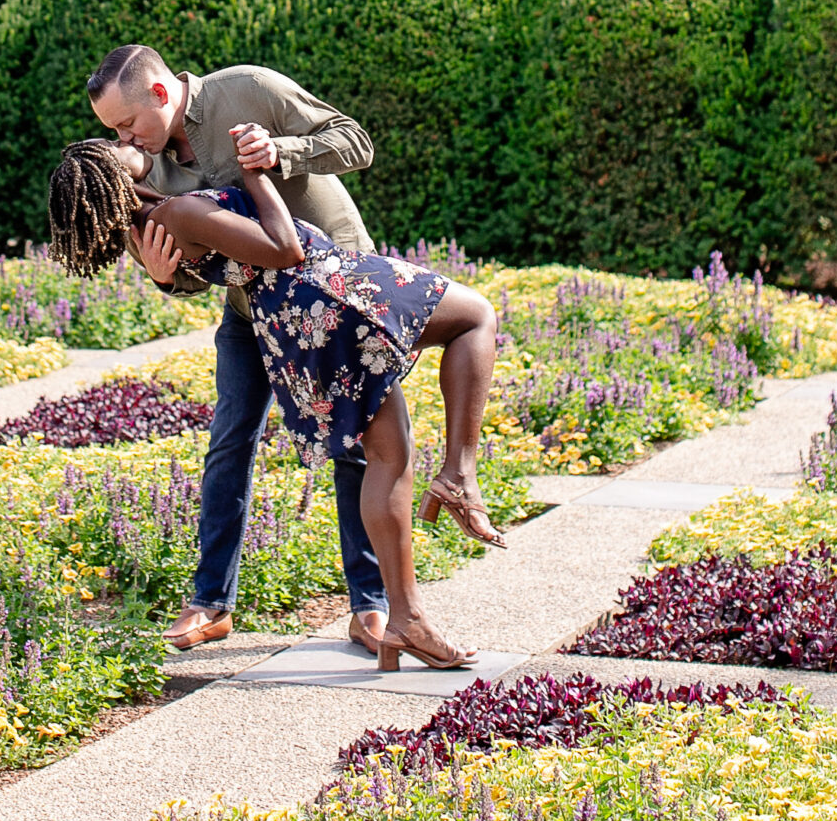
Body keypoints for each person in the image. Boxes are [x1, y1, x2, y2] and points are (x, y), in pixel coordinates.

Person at [46, 136, 503, 672]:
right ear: (114, 177)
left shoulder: (155, 227)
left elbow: (214, 259)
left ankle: (405, 617)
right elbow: (285, 247)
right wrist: (254, 175)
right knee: (475, 317)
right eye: (114, 146)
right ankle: (456, 479)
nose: (125, 141)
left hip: (301, 320)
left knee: (389, 457)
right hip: (329, 292)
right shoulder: (179, 210)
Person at [86, 45, 386, 652]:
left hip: (332, 293)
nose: (125, 140)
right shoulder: (142, 169)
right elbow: (202, 267)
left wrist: (285, 152)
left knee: (352, 442)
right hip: (250, 310)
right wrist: (166, 277)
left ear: (161, 94)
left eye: (127, 124)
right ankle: (210, 604)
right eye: (112, 131)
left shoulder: (248, 90)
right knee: (229, 442)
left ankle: (370, 607)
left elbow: (356, 141)